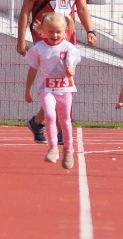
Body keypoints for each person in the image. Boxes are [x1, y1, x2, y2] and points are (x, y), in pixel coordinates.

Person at [17, 0, 96, 144]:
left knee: (62, 87)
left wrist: (90, 30)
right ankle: (59, 129)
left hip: (67, 41)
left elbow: (82, 7)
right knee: (54, 87)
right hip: (44, 40)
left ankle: (39, 122)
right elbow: (25, 11)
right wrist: (21, 40)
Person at [24, 12, 82, 170]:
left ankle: (68, 150)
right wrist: (27, 90)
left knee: (65, 120)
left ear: (65, 31)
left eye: (58, 32)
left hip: (65, 89)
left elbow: (71, 65)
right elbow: (33, 69)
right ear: (43, 31)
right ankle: (53, 147)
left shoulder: (69, 48)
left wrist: (71, 71)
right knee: (49, 114)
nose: (55, 35)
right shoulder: (38, 49)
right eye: (50, 32)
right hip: (46, 88)